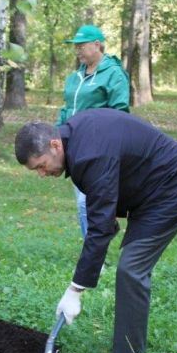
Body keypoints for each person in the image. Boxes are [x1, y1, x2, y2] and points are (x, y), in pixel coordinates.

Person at [15, 109, 177, 353]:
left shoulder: (89, 154)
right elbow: (104, 209)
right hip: (150, 191)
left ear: (55, 145)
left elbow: (99, 229)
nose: (41, 174)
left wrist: (75, 289)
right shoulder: (75, 141)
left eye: (40, 165)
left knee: (131, 269)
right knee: (130, 267)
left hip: (175, 186)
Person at [57, 25, 130, 239]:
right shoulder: (74, 77)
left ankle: (94, 249)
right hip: (74, 147)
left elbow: (120, 112)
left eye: (81, 46)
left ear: (97, 45)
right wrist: (55, 134)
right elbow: (67, 108)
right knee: (84, 203)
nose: (77, 51)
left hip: (98, 148)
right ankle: (97, 240)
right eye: (75, 47)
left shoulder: (113, 74)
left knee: (86, 202)